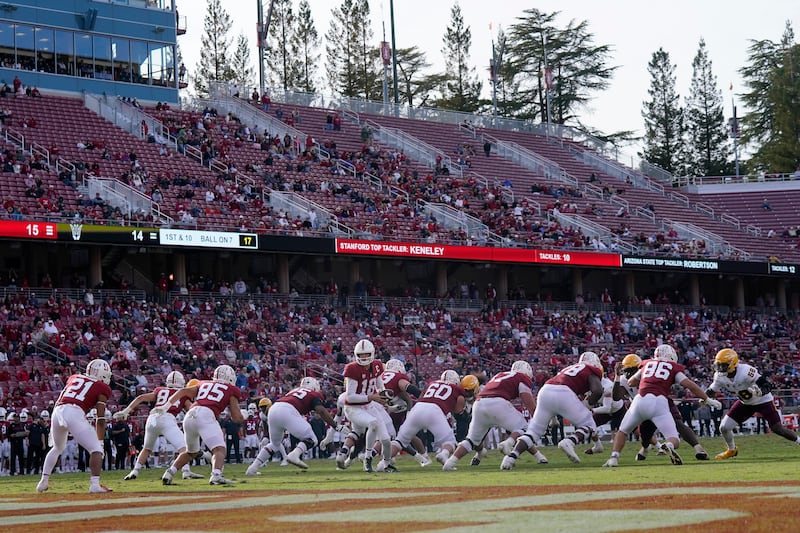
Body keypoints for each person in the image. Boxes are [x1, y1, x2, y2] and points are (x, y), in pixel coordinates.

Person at [602, 345, 721, 467]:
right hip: (659, 401)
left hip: (639, 400)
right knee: (671, 438)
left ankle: (614, 458)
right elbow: (689, 385)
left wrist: (647, 379)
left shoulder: (646, 364)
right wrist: (707, 399)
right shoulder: (672, 367)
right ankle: (667, 445)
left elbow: (631, 382)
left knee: (623, 431)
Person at [501, 352, 604, 470]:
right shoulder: (591, 370)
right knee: (589, 424)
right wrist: (586, 405)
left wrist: (554, 416)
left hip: (546, 390)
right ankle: (569, 441)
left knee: (533, 432)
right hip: (563, 392)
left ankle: (510, 458)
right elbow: (598, 391)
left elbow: (558, 393)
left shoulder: (570, 369)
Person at [444, 361, 547, 471]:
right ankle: (508, 443)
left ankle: (450, 463)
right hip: (497, 402)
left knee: (471, 440)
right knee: (524, 429)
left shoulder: (500, 375)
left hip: (479, 404)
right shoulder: (522, 377)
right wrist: (538, 420)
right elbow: (528, 400)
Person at [157, 365, 243, 486]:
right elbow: (237, 418)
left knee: (191, 452)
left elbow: (182, 391)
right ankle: (216, 475)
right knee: (219, 449)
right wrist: (240, 416)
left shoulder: (203, 383)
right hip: (206, 414)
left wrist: (165, 406)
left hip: (190, 415)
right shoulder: (231, 389)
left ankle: (169, 473)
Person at [36, 359, 114, 493]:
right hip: (74, 412)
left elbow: (61, 397)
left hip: (58, 411)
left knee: (57, 448)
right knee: (96, 449)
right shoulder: (103, 388)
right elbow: (100, 419)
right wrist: (100, 441)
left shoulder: (74, 377)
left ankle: (43, 482)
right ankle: (95, 484)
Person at [707, 348, 800, 459]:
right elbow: (711, 390)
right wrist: (705, 398)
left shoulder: (746, 371)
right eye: (719, 365)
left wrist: (761, 392)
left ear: (733, 363)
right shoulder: (719, 376)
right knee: (724, 427)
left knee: (777, 428)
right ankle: (732, 450)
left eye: (723, 365)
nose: (720, 368)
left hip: (763, 401)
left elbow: (767, 385)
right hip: (745, 403)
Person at [116, 371, 204, 481]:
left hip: (152, 418)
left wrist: (126, 411)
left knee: (146, 449)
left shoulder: (160, 390)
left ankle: (135, 471)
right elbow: (191, 412)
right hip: (167, 418)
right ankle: (185, 472)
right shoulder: (183, 394)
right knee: (184, 449)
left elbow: (141, 398)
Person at [249, 376, 337, 471]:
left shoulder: (293, 391)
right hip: (287, 410)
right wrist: (335, 425)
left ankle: (252, 468)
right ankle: (294, 455)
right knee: (312, 439)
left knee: (274, 444)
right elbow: (321, 411)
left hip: (274, 409)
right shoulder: (313, 394)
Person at [389, 370, 466, 468]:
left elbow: (421, 396)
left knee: (400, 440)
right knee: (450, 441)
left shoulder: (432, 384)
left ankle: (383, 463)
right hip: (435, 410)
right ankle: (444, 455)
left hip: (418, 407)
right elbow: (458, 410)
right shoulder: (455, 388)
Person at [336, 339, 393, 472]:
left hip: (368, 406)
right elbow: (350, 397)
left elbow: (380, 386)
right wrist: (372, 397)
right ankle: (367, 459)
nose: (364, 357)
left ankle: (386, 464)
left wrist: (383, 395)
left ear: (372, 354)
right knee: (373, 423)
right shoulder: (352, 368)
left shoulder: (377, 365)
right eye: (361, 355)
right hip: (353, 408)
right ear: (356, 355)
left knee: (386, 439)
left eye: (366, 354)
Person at [379, 358, 430, 466]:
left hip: (399, 410)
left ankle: (422, 456)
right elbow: (411, 391)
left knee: (401, 436)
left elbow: (407, 397)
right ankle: (422, 456)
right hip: (393, 411)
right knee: (398, 436)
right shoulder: (396, 377)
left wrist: (408, 412)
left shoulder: (380, 377)